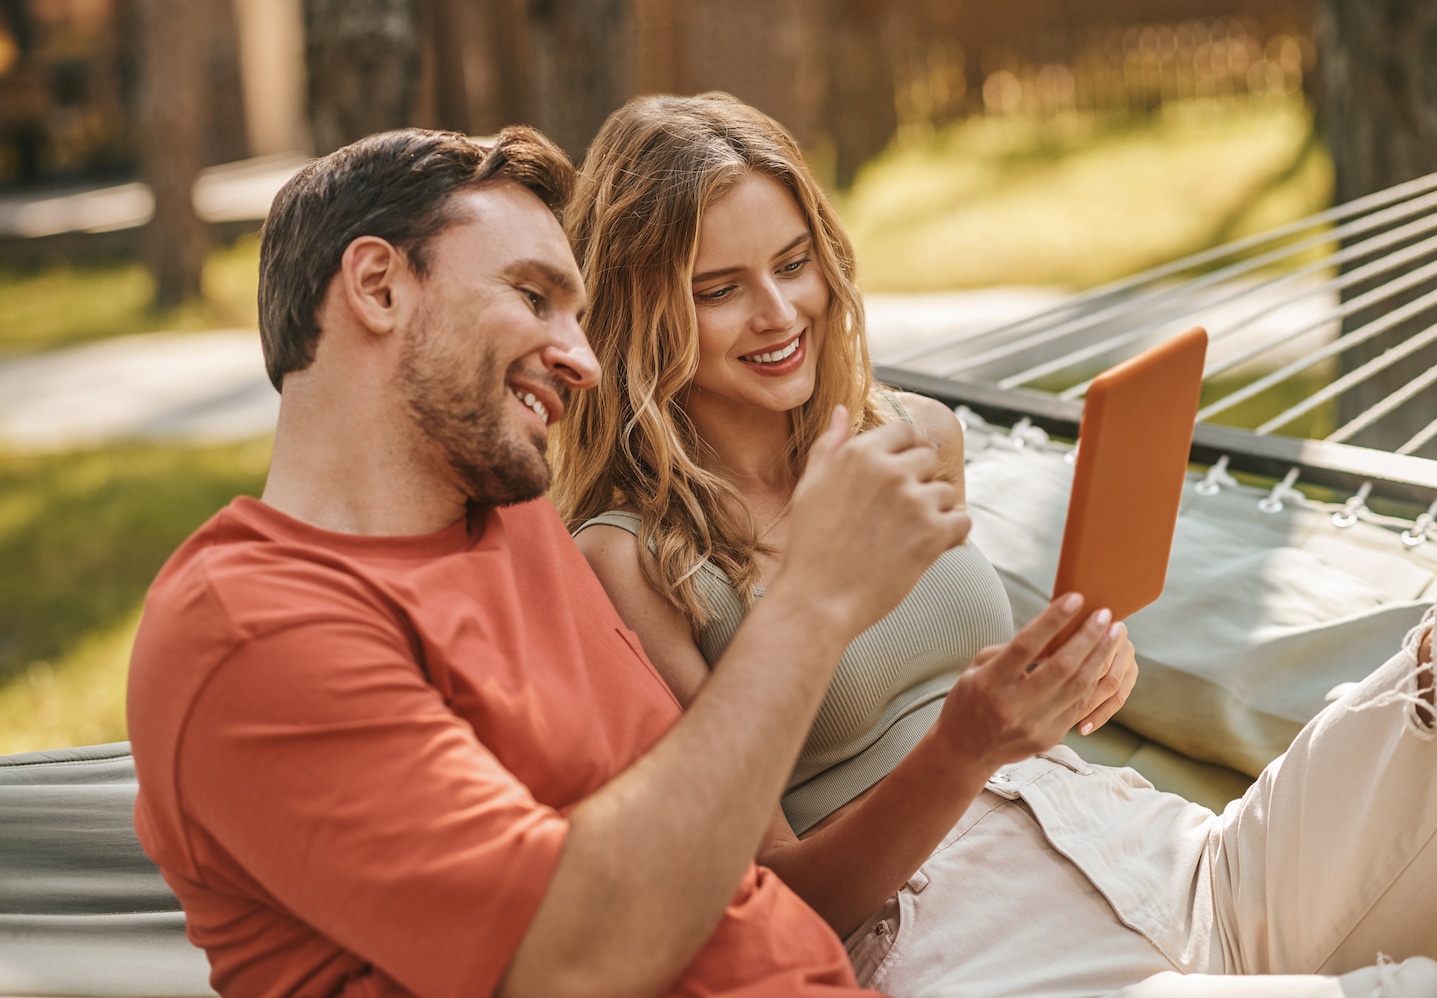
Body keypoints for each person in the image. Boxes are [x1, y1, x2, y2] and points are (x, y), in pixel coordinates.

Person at [125, 125, 1116, 998]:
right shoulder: (254, 628)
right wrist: (816, 595)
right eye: (533, 296)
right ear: (379, 285)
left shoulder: (516, 533)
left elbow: (736, 860)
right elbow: (577, 958)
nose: (584, 357)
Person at [551, 92, 1437, 998]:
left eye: (794, 264)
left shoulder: (915, 436)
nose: (778, 313)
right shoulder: (632, 561)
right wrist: (964, 749)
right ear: (643, 318)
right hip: (968, 945)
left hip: (1165, 862)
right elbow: (768, 914)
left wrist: (1069, 670)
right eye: (720, 290)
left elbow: (966, 669)